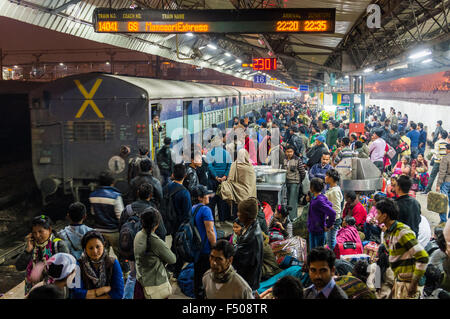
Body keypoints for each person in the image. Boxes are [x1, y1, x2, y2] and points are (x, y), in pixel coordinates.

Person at [375, 198, 429, 299]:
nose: (376, 216)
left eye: (378, 213)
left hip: (410, 283)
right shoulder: (389, 233)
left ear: (385, 215)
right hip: (400, 279)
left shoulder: (402, 232)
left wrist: (413, 284)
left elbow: (423, 257)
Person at [15, 215, 69, 294]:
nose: (37, 236)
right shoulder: (32, 246)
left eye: (40, 232)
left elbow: (67, 270)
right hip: (35, 292)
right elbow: (19, 267)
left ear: (49, 230)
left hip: (54, 292)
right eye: (34, 233)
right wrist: (28, 250)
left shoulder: (58, 245)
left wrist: (44, 272)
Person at [133, 208, 176, 299]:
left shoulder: (138, 235)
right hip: (155, 285)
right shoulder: (155, 241)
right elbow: (172, 259)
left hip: (140, 281)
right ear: (157, 224)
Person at [72, 231, 124, 299]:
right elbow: (76, 294)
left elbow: (118, 294)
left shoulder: (113, 263)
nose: (95, 251)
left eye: (98, 247)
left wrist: (89, 295)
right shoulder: (78, 265)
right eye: (90, 248)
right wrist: (101, 290)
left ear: (104, 245)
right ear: (85, 249)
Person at [89, 171, 124, 263]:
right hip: (114, 231)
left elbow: (93, 212)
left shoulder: (93, 195)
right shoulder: (116, 196)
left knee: (102, 256)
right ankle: (123, 274)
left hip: (99, 231)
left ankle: (104, 274)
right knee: (121, 256)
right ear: (112, 182)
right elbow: (120, 215)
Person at [164, 164, 192, 278]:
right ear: (185, 176)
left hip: (167, 222)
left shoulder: (165, 187)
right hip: (179, 225)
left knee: (173, 246)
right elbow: (187, 214)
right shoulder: (185, 193)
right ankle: (175, 271)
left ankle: (170, 267)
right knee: (179, 247)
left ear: (172, 175)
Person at [190, 185, 217, 299]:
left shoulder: (192, 208)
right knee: (206, 275)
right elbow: (210, 230)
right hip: (206, 248)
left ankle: (198, 294)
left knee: (198, 274)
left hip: (196, 247)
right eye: (206, 195)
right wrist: (214, 246)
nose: (209, 196)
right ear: (200, 197)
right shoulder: (206, 210)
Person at [233, 198, 264, 291]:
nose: (237, 214)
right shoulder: (251, 227)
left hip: (247, 283)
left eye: (239, 212)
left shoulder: (251, 236)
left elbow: (239, 259)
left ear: (246, 215)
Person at [206, 136, 232, 223]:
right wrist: (225, 176)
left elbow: (210, 166)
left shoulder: (209, 154)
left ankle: (212, 219)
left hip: (212, 181)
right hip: (224, 182)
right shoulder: (227, 153)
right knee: (222, 200)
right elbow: (229, 165)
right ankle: (222, 219)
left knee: (212, 202)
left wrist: (216, 177)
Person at [227, 149, 257, 220]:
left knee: (237, 212)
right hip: (249, 194)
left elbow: (230, 179)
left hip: (237, 194)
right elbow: (252, 182)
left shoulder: (235, 165)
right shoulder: (250, 166)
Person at [307, 178, 336, 250]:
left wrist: (329, 225)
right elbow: (330, 204)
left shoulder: (319, 200)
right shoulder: (318, 197)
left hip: (318, 231)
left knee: (318, 253)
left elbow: (332, 213)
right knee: (313, 252)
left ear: (313, 187)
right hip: (313, 229)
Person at [283, 145, 306, 220]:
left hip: (294, 183)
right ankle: (286, 217)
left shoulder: (297, 160)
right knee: (285, 200)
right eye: (287, 152)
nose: (289, 153)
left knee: (292, 201)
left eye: (291, 152)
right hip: (285, 182)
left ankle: (292, 218)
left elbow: (302, 172)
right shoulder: (284, 159)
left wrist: (298, 181)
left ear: (293, 152)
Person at [324, 169, 343, 250]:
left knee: (331, 241)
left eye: (327, 176)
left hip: (333, 219)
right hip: (332, 219)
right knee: (330, 239)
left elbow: (336, 208)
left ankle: (333, 258)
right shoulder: (333, 189)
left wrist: (332, 221)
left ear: (331, 178)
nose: (325, 177)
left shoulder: (334, 191)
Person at [424, 130, 448, 194]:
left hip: (438, 161)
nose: (438, 135)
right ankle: (442, 190)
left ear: (441, 135)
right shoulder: (447, 143)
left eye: (439, 134)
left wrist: (433, 154)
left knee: (432, 176)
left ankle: (427, 189)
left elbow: (437, 153)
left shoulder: (437, 142)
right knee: (443, 176)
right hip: (444, 162)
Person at [437, 143, 450, 224]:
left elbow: (442, 172)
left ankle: (443, 220)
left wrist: (438, 184)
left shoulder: (445, 158)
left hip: (446, 182)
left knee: (443, 202)